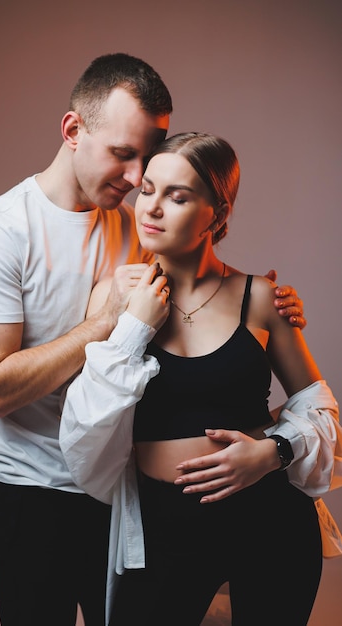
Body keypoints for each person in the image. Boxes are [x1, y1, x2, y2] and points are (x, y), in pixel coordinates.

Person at [0, 52, 305, 626]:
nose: (140, 177)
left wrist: (265, 301)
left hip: (119, 492)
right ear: (73, 131)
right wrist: (103, 324)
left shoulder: (132, 214)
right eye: (123, 154)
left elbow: (202, 278)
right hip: (27, 491)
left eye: (149, 155)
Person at [60, 132, 339, 626]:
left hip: (268, 520)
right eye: (147, 189)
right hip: (163, 527)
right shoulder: (116, 295)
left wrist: (269, 453)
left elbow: (322, 410)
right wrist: (132, 325)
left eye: (178, 196)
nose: (152, 208)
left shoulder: (260, 296)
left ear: (218, 212)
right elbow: (84, 428)